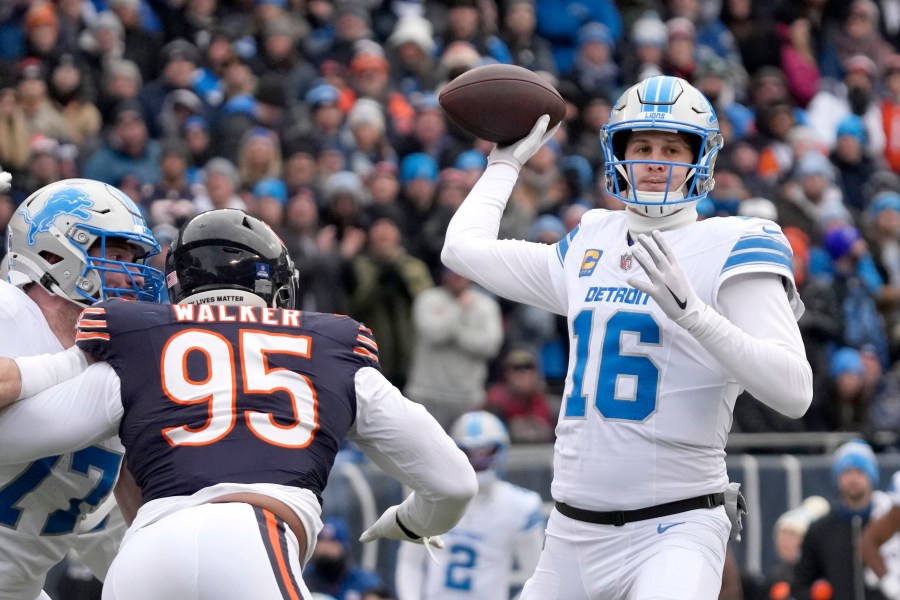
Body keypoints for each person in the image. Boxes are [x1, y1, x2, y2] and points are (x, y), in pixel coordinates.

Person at [441, 74, 813, 598]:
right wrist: (505, 163)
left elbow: (795, 391)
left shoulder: (734, 243)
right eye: (641, 145)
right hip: (569, 533)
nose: (656, 160)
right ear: (617, 154)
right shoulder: (592, 237)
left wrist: (694, 316)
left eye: (672, 147)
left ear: (701, 157)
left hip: (675, 528)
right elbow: (461, 250)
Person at [0, 208, 478, 600]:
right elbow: (453, 482)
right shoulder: (331, 346)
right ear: (278, 286)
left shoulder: (138, 349)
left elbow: (13, 439)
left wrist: (61, 366)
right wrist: (411, 522)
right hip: (249, 535)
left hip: (142, 553)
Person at [0, 177, 166, 600]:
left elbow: (110, 521)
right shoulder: (8, 308)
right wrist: (75, 361)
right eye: (115, 255)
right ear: (54, 253)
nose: (132, 277)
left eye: (135, 259)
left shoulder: (112, 369)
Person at [395, 411, 544, 600]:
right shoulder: (431, 496)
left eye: (485, 453)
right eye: (470, 454)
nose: (478, 461)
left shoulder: (520, 506)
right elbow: (410, 562)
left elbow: (537, 578)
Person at [795, 439, 893, 599]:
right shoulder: (820, 530)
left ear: (871, 476)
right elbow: (801, 584)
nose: (853, 479)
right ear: (837, 477)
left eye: (860, 472)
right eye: (847, 472)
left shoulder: (888, 525)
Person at [303, 516, 382, 600]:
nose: (325, 548)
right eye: (321, 542)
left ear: (344, 546)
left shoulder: (366, 582)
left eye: (332, 542)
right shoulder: (304, 579)